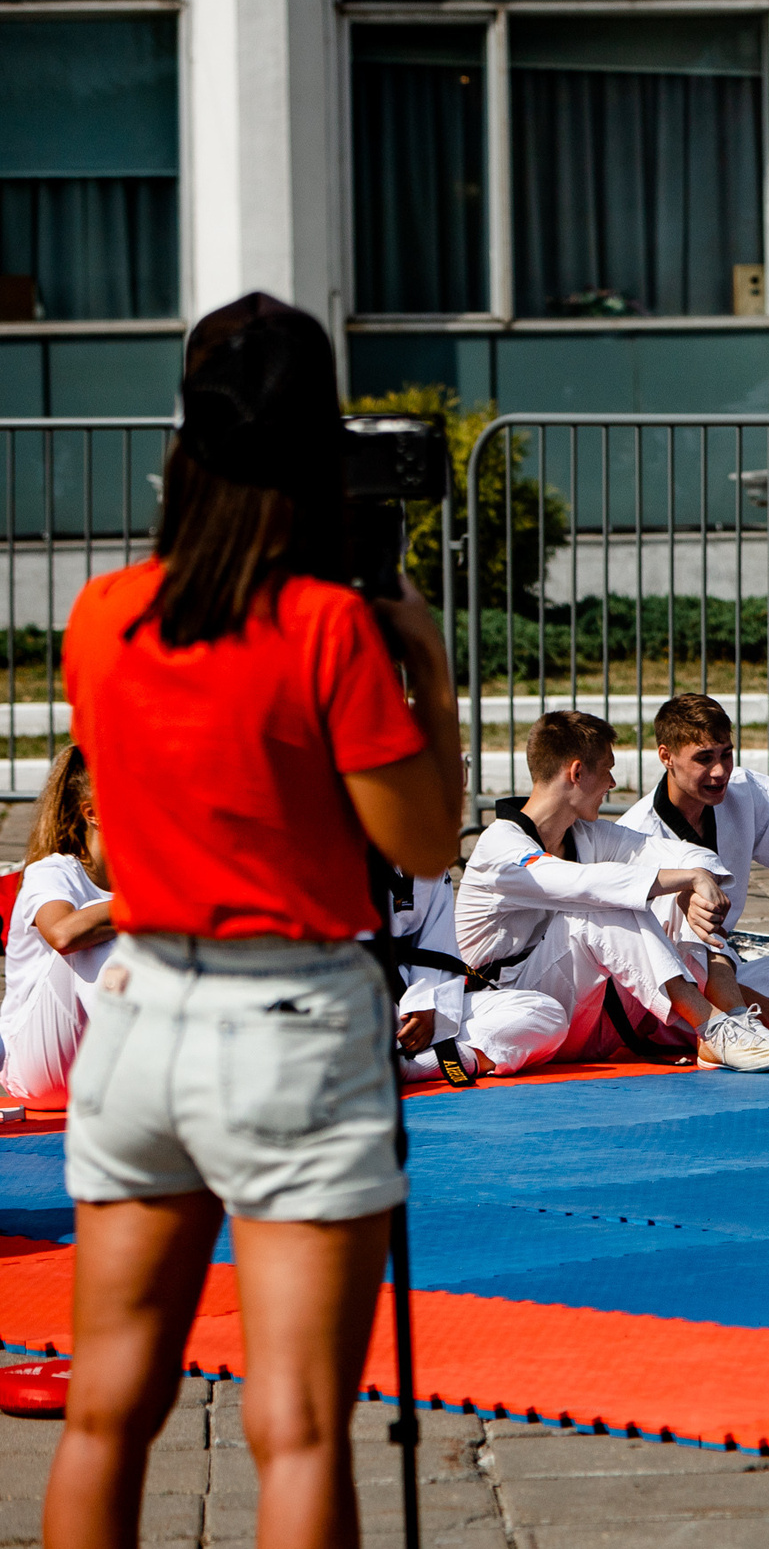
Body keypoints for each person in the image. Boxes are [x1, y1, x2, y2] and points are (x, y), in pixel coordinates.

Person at [49, 292, 465, 1549]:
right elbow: (423, 841)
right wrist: (427, 668)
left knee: (106, 1412)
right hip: (288, 1018)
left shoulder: (101, 615)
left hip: (136, 1014)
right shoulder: (327, 628)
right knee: (295, 1425)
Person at [455, 710, 769, 1073]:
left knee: (671, 895)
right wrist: (686, 880)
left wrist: (692, 884)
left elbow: (687, 855)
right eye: (606, 769)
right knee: (605, 907)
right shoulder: (499, 847)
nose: (612, 783)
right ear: (576, 773)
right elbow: (582, 884)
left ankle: (732, 1018)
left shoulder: (589, 836)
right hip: (514, 1016)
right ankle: (711, 1026)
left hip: (589, 1020)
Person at [617, 693, 769, 1042]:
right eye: (704, 759)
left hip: (725, 968)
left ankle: (750, 1025)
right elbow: (635, 953)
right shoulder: (636, 835)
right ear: (667, 757)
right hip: (670, 985)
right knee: (657, 1017)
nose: (719, 771)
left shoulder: (748, 793)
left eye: (726, 754)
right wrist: (740, 995)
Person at [1, 746, 115, 1109]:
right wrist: (152, 903)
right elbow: (63, 934)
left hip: (97, 1070)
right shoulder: (54, 871)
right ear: (93, 814)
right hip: (33, 1070)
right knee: (95, 935)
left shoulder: (143, 878)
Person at [385, 867, 571, 1084]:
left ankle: (412, 1068)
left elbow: (435, 945)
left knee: (545, 1013)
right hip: (360, 1002)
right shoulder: (341, 855)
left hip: (417, 1003)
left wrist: (426, 1004)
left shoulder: (428, 861)